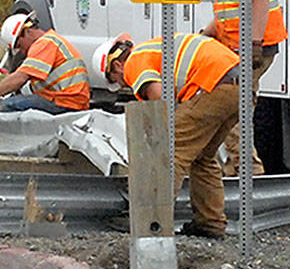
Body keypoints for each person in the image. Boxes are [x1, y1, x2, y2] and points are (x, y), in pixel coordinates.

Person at [94, 32, 240, 238]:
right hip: (240, 86)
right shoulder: (152, 50)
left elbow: (162, 101)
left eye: (115, 79)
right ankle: (210, 224)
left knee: (169, 151)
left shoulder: (135, 61)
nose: (123, 84)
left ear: (117, 65)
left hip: (213, 85)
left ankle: (150, 219)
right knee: (203, 157)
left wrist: (156, 138)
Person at [200, 0, 287, 176]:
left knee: (234, 109)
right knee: (233, 108)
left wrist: (253, 45)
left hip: (251, 48)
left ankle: (247, 171)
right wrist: (204, 36)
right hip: (239, 48)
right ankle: (239, 167)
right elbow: (230, 9)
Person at [0, 13, 89, 119]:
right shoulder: (51, 41)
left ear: (27, 31)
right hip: (67, 100)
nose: (22, 51)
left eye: (20, 45)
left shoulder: (44, 43)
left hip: (67, 102)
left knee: (8, 106)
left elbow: (19, 78)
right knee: (16, 101)